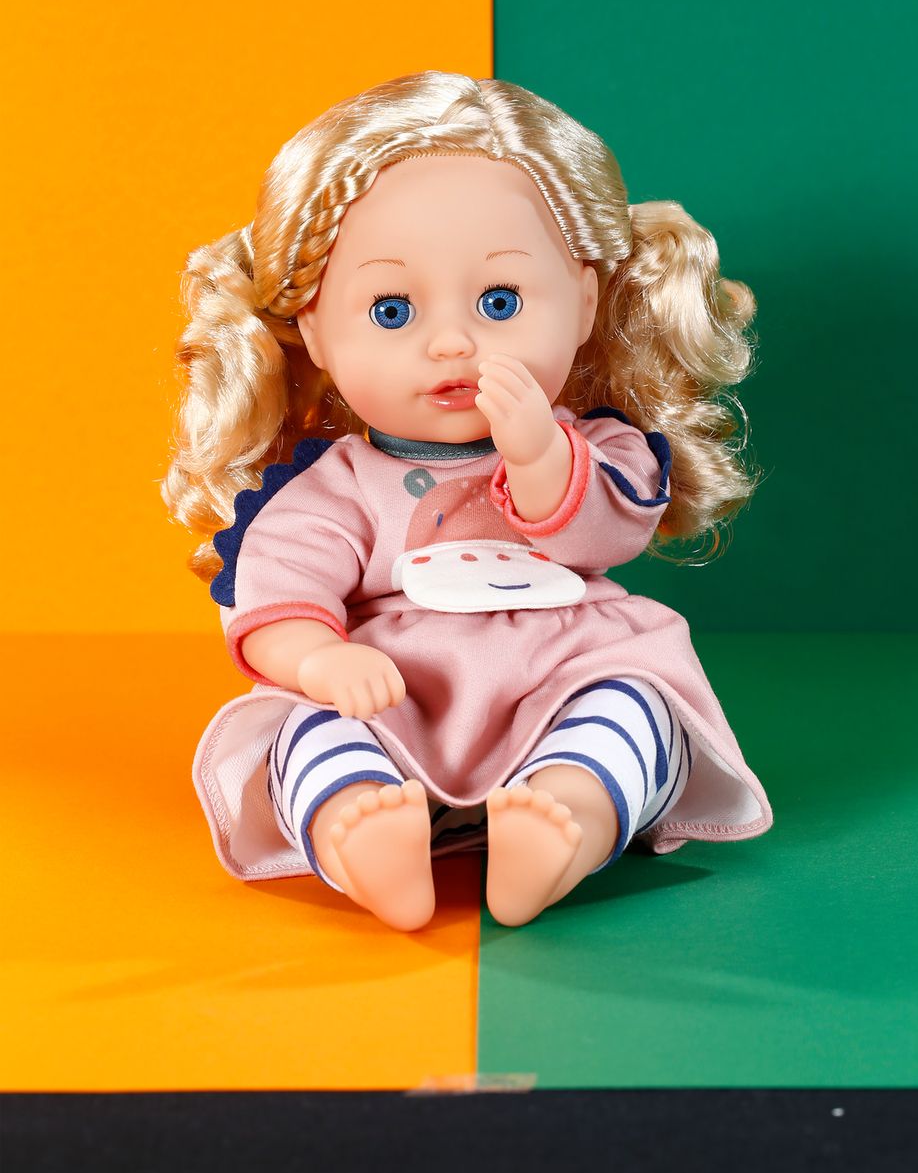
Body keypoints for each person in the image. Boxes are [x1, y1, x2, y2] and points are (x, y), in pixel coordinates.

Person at [163, 71, 773, 930]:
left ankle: (568, 818)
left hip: (568, 669)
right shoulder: (332, 487)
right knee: (309, 734)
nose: (452, 342)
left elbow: (605, 534)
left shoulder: (601, 449)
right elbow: (276, 600)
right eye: (391, 310)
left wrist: (539, 454)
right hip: (398, 702)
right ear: (316, 331)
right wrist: (321, 661)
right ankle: (359, 832)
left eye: (499, 302)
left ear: (584, 303)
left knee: (636, 712)